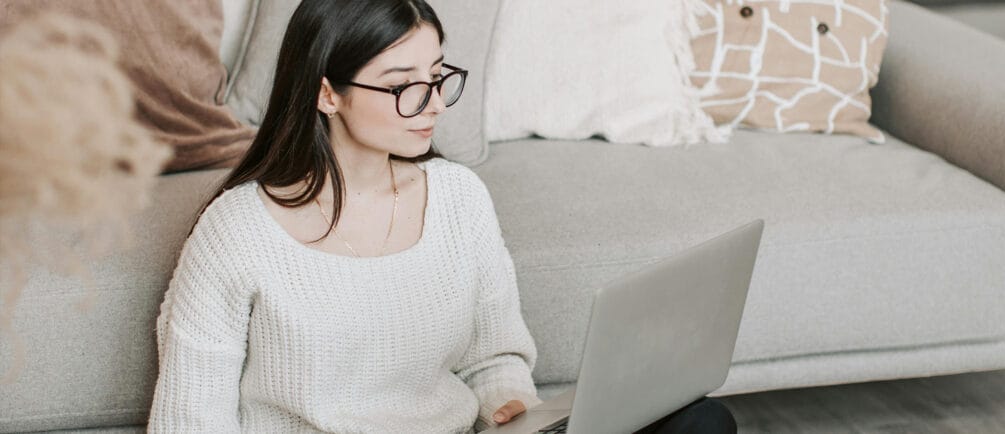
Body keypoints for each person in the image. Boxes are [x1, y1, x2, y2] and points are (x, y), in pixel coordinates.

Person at [147, 1, 736, 432]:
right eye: (403, 86)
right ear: (328, 94)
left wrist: (506, 404)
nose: (430, 105)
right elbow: (189, 420)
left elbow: (493, 357)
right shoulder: (238, 232)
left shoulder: (458, 198)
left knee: (701, 422)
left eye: (436, 79)